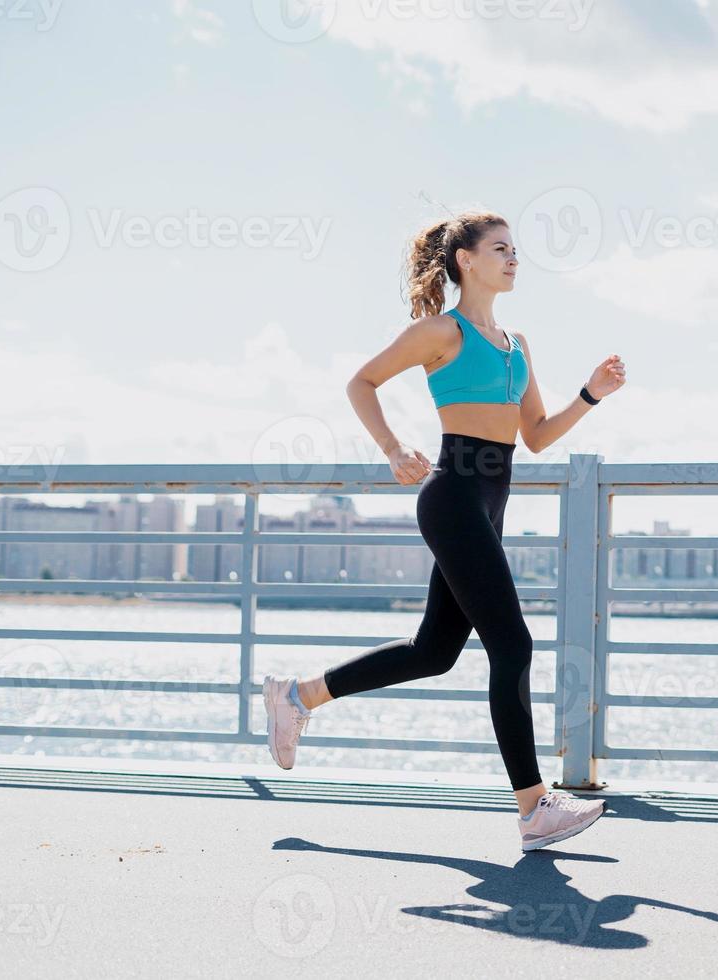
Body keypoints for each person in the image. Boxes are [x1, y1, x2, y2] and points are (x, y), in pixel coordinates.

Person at [261, 209, 626, 852]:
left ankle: (297, 696)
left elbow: (535, 437)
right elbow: (362, 381)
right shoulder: (442, 331)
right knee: (512, 645)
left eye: (516, 249)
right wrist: (393, 448)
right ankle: (534, 807)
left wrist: (589, 395)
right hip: (453, 494)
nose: (515, 258)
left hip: (490, 501)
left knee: (435, 651)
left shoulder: (517, 344)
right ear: (467, 260)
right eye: (501, 248)